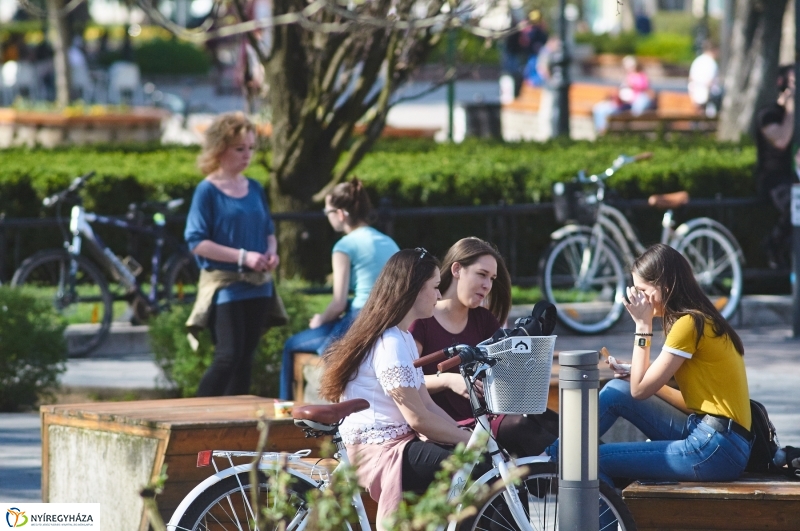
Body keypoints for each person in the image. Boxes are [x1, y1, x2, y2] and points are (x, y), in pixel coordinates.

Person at [547, 243, 752, 489]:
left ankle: (549, 466)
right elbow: (691, 403)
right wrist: (638, 373)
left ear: (665, 287)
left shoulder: (688, 324)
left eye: (643, 290)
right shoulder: (699, 318)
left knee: (592, 461)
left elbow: (639, 391)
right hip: (717, 438)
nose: (638, 298)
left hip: (716, 447)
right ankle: (550, 459)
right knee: (615, 390)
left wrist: (642, 327)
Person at [319, 248, 482, 531]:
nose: (440, 295)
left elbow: (427, 405)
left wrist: (466, 435)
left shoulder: (402, 336)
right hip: (378, 451)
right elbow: (418, 418)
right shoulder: (390, 342)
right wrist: (469, 443)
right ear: (415, 289)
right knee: (471, 469)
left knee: (471, 464)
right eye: (434, 287)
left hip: (395, 443)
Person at [409, 237, 558, 458]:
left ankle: (597, 474)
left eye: (492, 278)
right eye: (482, 274)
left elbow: (506, 371)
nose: (488, 285)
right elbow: (405, 379)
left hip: (491, 414)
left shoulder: (484, 319)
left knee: (555, 422)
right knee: (521, 427)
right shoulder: (422, 320)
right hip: (453, 424)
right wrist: (449, 381)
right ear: (457, 269)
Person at [184, 112, 281, 396]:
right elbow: (196, 241)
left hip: (259, 286)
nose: (247, 155)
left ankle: (236, 431)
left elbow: (268, 231)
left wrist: (271, 254)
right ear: (219, 149)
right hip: (224, 286)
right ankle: (196, 421)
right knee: (227, 357)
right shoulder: (207, 191)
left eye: (251, 148)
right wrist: (243, 257)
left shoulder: (255, 187)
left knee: (245, 361)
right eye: (240, 148)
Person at [279, 178, 399, 400]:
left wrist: (319, 320)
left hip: (359, 317)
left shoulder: (344, 245)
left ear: (341, 213)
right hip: (389, 318)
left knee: (291, 345)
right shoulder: (387, 241)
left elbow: (338, 303)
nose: (327, 217)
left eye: (328, 212)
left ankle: (287, 411)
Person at [755, 64, 798, 269]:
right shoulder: (768, 113)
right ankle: (774, 244)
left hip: (792, 177)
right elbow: (781, 140)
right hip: (773, 179)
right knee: (795, 204)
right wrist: (790, 108)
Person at [592, 55, 652, 133]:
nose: (629, 68)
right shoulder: (629, 76)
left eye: (631, 66)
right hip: (621, 103)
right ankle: (601, 131)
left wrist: (631, 86)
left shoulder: (640, 78)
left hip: (627, 105)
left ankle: (603, 131)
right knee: (599, 109)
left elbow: (642, 88)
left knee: (603, 110)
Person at [688, 41, 721, 117]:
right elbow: (710, 82)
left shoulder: (697, 61)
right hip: (708, 97)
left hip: (696, 95)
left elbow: (691, 78)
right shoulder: (712, 63)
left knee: (698, 116)